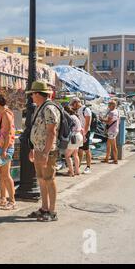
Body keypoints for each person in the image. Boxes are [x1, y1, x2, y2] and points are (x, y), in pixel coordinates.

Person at [26, 81, 61, 222]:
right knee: (41, 179)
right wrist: (33, 148)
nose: (31, 97)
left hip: (48, 151)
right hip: (39, 149)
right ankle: (44, 208)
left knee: (49, 179)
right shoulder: (40, 107)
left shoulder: (49, 109)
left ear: (38, 94)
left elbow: (51, 132)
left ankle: (52, 212)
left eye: (32, 94)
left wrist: (46, 152)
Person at [0, 91, 16, 210]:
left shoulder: (6, 115)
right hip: (2, 147)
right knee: (1, 174)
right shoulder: (2, 114)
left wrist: (5, 150)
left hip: (5, 148)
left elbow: (8, 134)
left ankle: (12, 201)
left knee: (6, 175)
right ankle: (3, 199)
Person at [70, 97, 93, 174]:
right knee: (79, 150)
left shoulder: (86, 109)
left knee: (86, 150)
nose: (73, 106)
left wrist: (84, 134)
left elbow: (87, 123)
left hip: (85, 132)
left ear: (77, 102)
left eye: (73, 104)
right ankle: (78, 166)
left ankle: (88, 166)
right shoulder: (77, 110)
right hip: (80, 132)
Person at [64, 106, 83, 177]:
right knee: (75, 154)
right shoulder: (75, 117)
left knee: (67, 155)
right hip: (79, 136)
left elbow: (67, 128)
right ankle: (77, 171)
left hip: (73, 137)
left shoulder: (69, 118)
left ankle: (71, 172)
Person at [101, 100, 120, 164]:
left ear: (112, 105)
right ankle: (106, 158)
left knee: (113, 146)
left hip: (111, 130)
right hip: (115, 129)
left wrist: (102, 119)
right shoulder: (117, 111)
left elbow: (109, 122)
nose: (108, 105)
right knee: (108, 145)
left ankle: (115, 160)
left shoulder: (111, 112)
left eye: (109, 104)